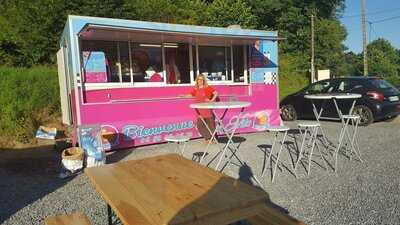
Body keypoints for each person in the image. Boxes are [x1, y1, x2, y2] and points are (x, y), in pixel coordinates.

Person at [188, 74, 218, 143]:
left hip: (207, 110)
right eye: (199, 79)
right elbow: (190, 95)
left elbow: (216, 93)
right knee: (200, 126)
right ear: (197, 81)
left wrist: (211, 100)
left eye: (202, 79)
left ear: (204, 80)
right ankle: (208, 138)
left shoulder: (207, 87)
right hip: (199, 111)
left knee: (211, 126)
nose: (200, 81)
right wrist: (182, 96)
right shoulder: (196, 89)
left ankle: (213, 139)